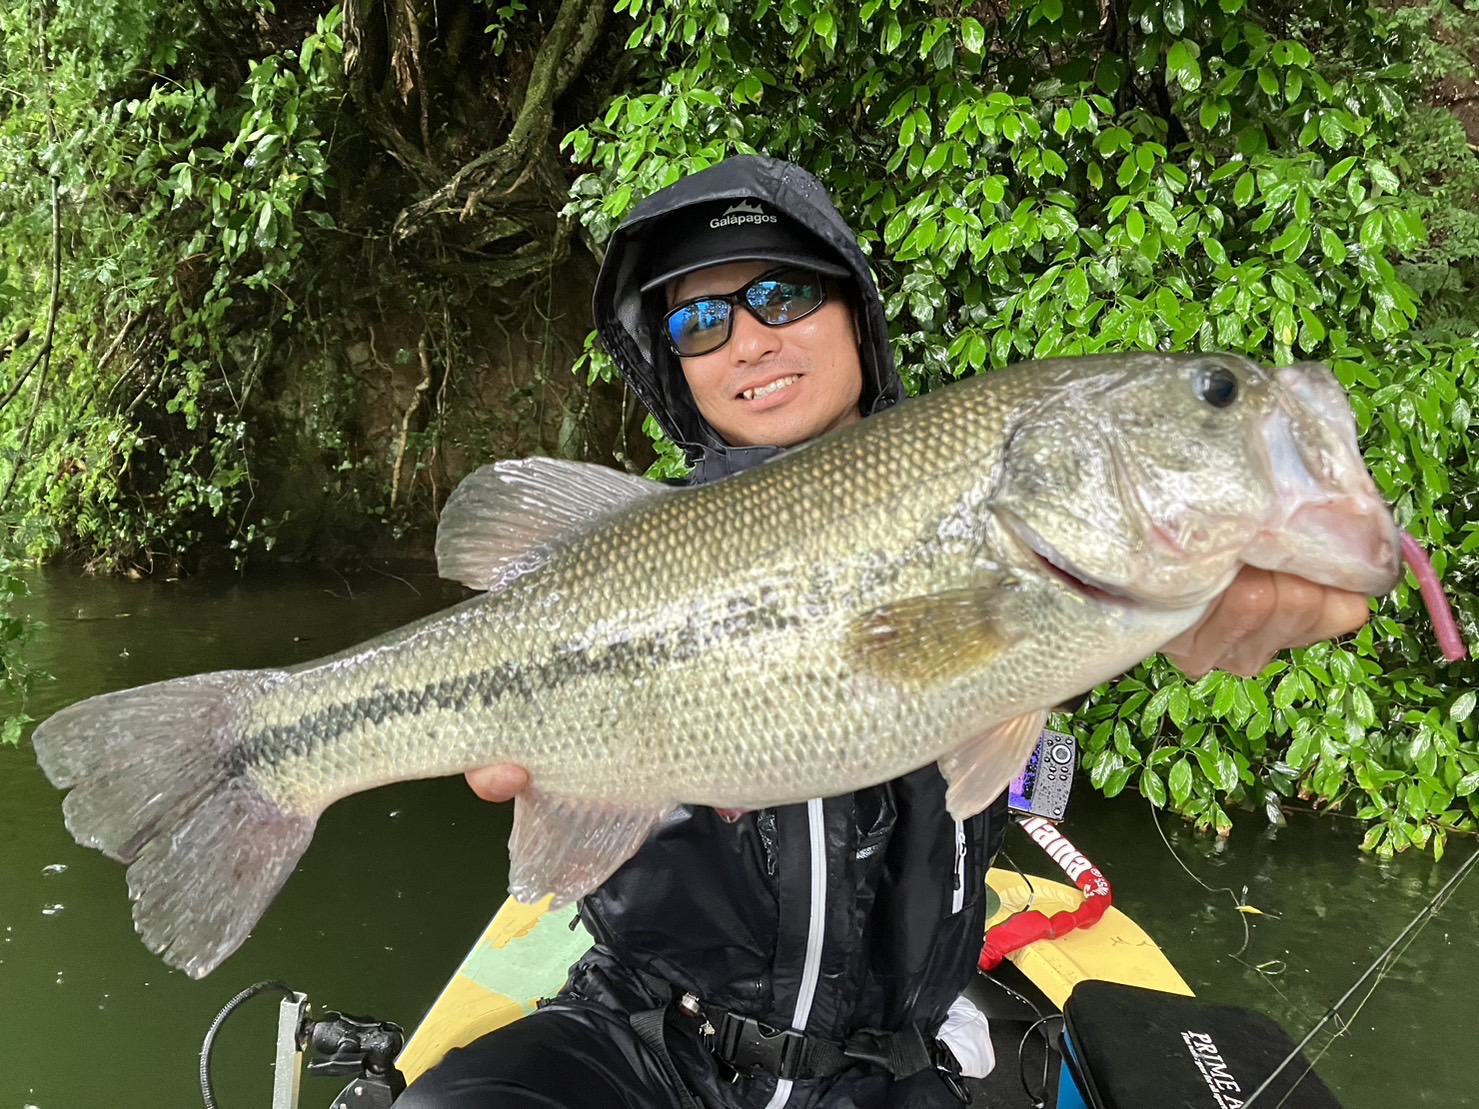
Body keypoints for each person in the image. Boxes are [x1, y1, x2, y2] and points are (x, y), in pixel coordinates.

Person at [398, 155, 1371, 1109]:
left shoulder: (1020, 553)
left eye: (781, 294)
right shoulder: (623, 547)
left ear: (852, 309)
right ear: (672, 363)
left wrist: (1200, 606)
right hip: (639, 1036)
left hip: (894, 1070)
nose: (747, 339)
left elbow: (1029, 639)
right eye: (698, 320)